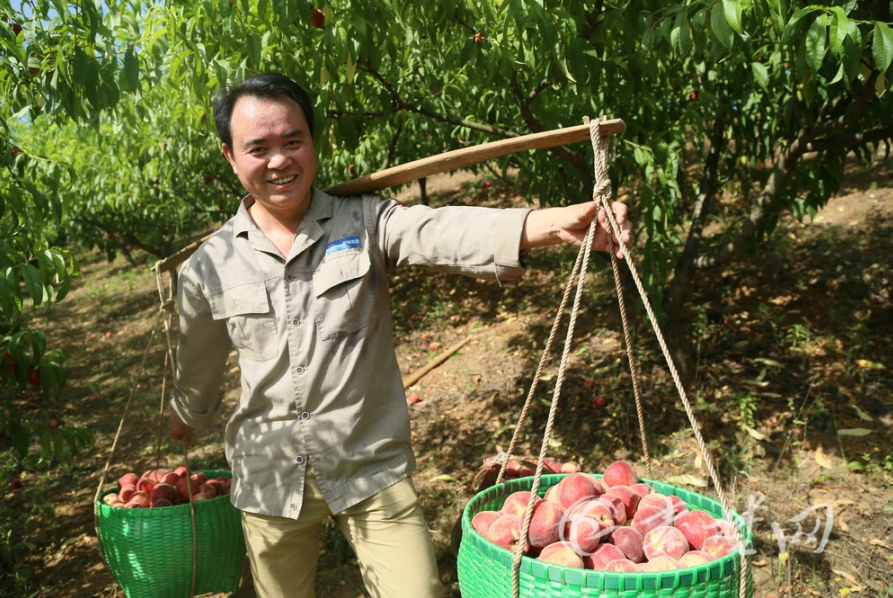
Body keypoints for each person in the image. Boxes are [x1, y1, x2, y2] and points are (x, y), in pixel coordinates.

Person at [168, 71, 630, 598]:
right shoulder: (210, 266)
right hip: (269, 478)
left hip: (367, 468)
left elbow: (444, 232)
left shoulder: (364, 220)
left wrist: (552, 225)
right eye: (259, 148)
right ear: (230, 156)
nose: (279, 160)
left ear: (314, 143)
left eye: (293, 141)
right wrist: (187, 416)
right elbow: (197, 361)